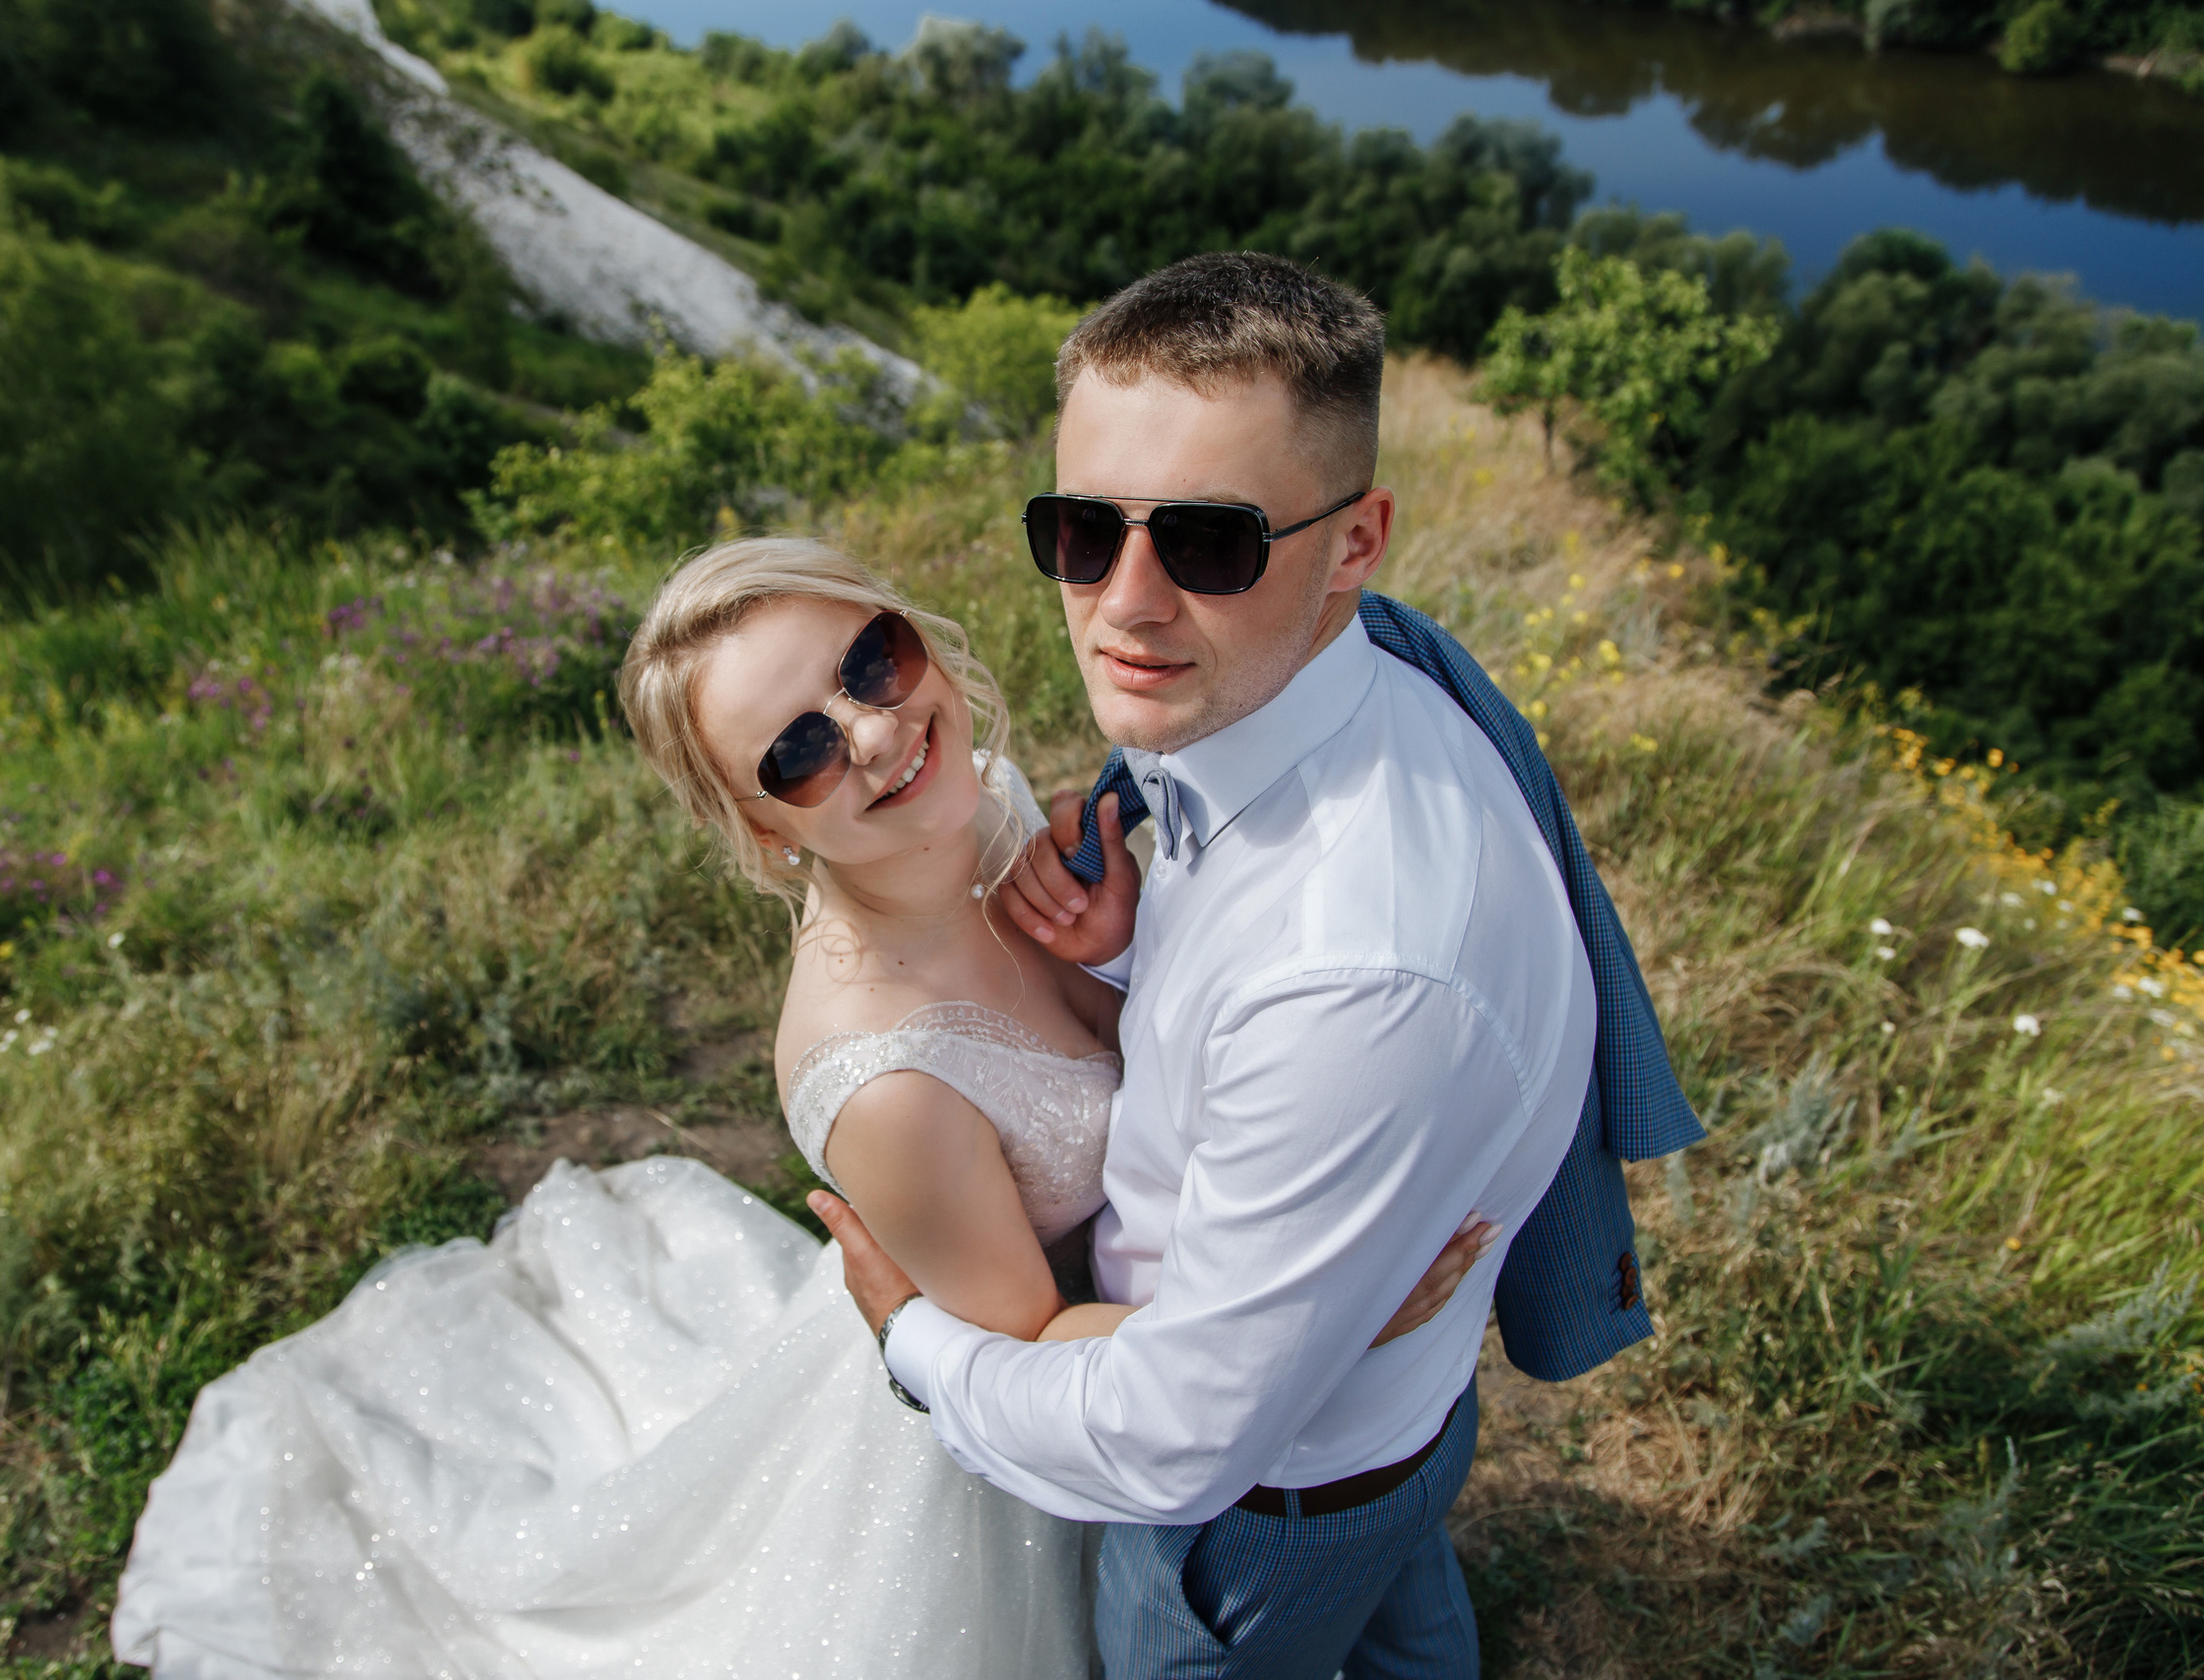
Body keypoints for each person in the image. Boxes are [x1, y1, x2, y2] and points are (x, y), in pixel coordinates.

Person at [109, 534, 1488, 1678]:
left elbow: (1167, 1056)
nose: (883, 731)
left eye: (873, 658)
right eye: (801, 753)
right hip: (1045, 1431)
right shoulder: (883, 1082)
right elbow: (1034, 1350)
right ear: (768, 831)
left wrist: (1127, 947)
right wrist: (1320, 1299)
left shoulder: (992, 805)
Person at [812, 252, 1701, 1679]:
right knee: (1417, 1630)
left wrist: (913, 1338)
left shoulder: (1359, 970)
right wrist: (1141, 944)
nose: (1128, 604)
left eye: (1214, 544)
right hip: (1398, 1403)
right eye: (1083, 531)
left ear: (1356, 545)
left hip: (1275, 1503)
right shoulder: (1354, 679)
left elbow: (1173, 1443)